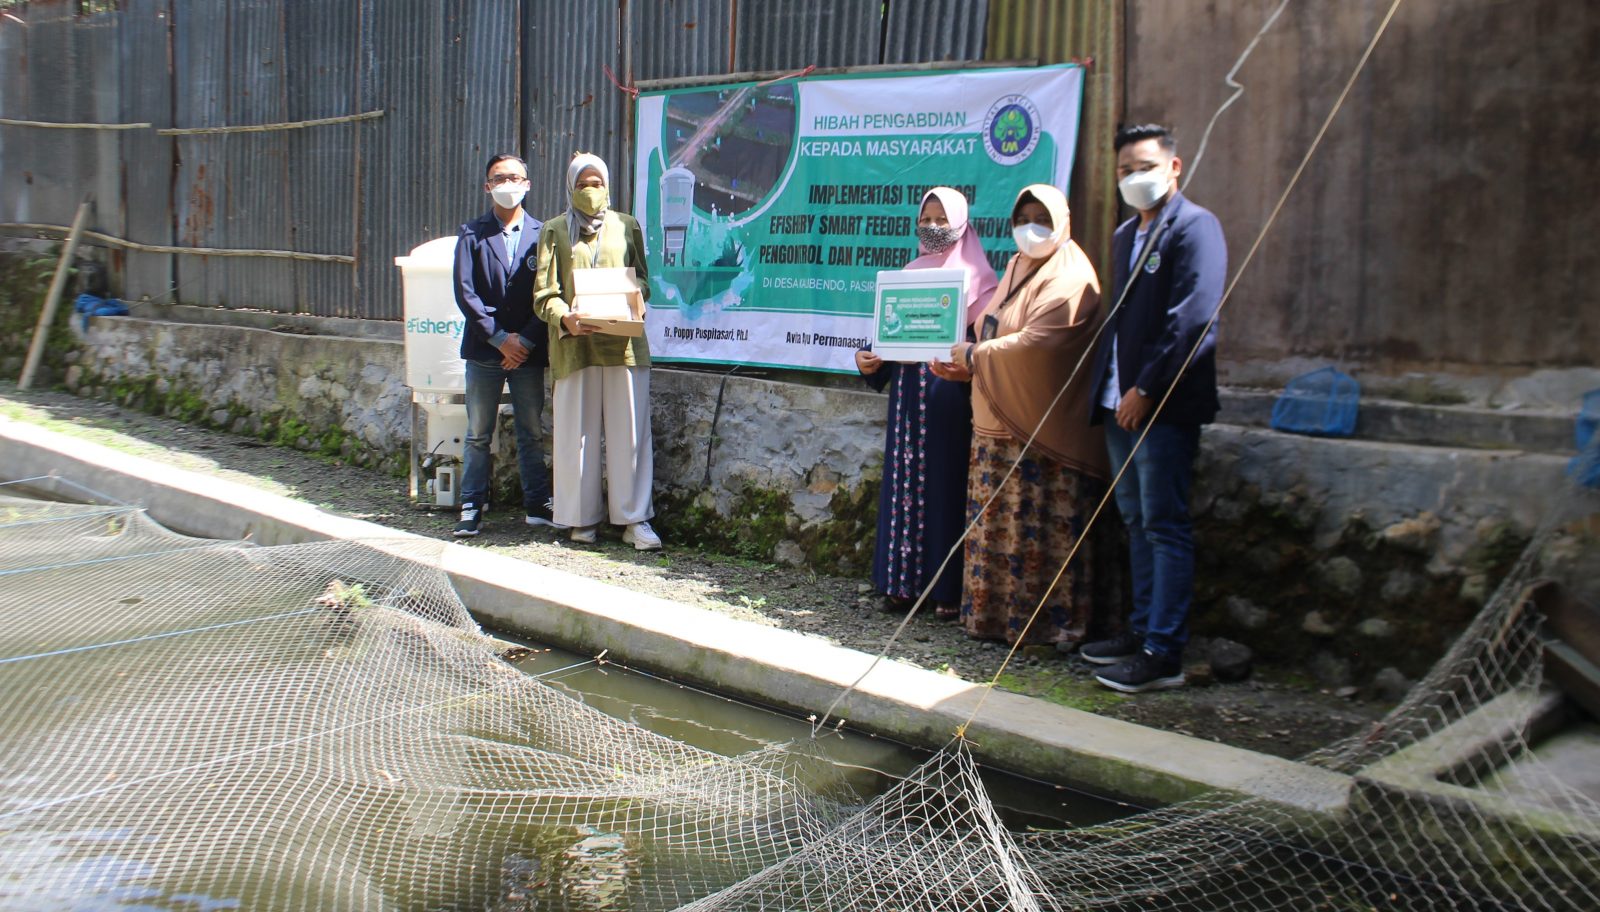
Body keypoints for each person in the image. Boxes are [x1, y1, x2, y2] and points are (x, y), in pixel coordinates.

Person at [932, 184, 1122, 649]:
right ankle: (993, 620)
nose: (1031, 227)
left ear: (1063, 220)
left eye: (1042, 216)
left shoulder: (1072, 278)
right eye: (1023, 218)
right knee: (997, 527)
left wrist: (975, 356)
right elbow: (993, 326)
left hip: (1044, 438)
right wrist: (970, 364)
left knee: (1037, 529)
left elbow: (1041, 343)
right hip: (997, 429)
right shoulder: (1017, 267)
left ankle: (1046, 627)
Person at [1081, 124, 1226, 693]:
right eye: (1124, 170)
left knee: (1165, 523)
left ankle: (1163, 651)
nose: (1134, 178)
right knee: (1136, 519)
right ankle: (1140, 630)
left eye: (1144, 166)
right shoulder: (1125, 236)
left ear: (1174, 166)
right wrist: (1119, 391)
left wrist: (1147, 387)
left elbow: (1192, 319)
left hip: (1161, 405)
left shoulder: (1195, 227)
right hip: (1121, 403)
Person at [855, 187, 998, 620]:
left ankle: (946, 592)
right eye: (926, 219)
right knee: (903, 489)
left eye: (942, 219)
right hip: (906, 401)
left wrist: (966, 366)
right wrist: (866, 358)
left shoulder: (981, 280)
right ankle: (900, 585)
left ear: (961, 223)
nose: (933, 227)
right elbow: (888, 334)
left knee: (944, 487)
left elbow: (987, 349)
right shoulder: (910, 271)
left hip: (947, 402)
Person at [534, 152, 661, 550]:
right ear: (570, 187)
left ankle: (635, 520)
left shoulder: (626, 226)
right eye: (582, 184)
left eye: (597, 183)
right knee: (576, 436)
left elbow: (643, 278)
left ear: (607, 185)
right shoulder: (555, 231)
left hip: (623, 346)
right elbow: (544, 294)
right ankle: (580, 518)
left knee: (631, 436)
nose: (590, 190)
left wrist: (634, 296)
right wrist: (563, 317)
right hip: (575, 347)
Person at [451, 153, 552, 537]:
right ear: (487, 186)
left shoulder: (545, 234)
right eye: (499, 178)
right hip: (484, 350)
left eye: (515, 177)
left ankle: (537, 503)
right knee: (478, 432)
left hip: (527, 349)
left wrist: (523, 340)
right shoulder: (472, 234)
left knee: (530, 430)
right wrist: (498, 338)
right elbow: (465, 293)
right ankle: (472, 504)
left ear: (527, 184)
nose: (508, 184)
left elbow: (549, 291)